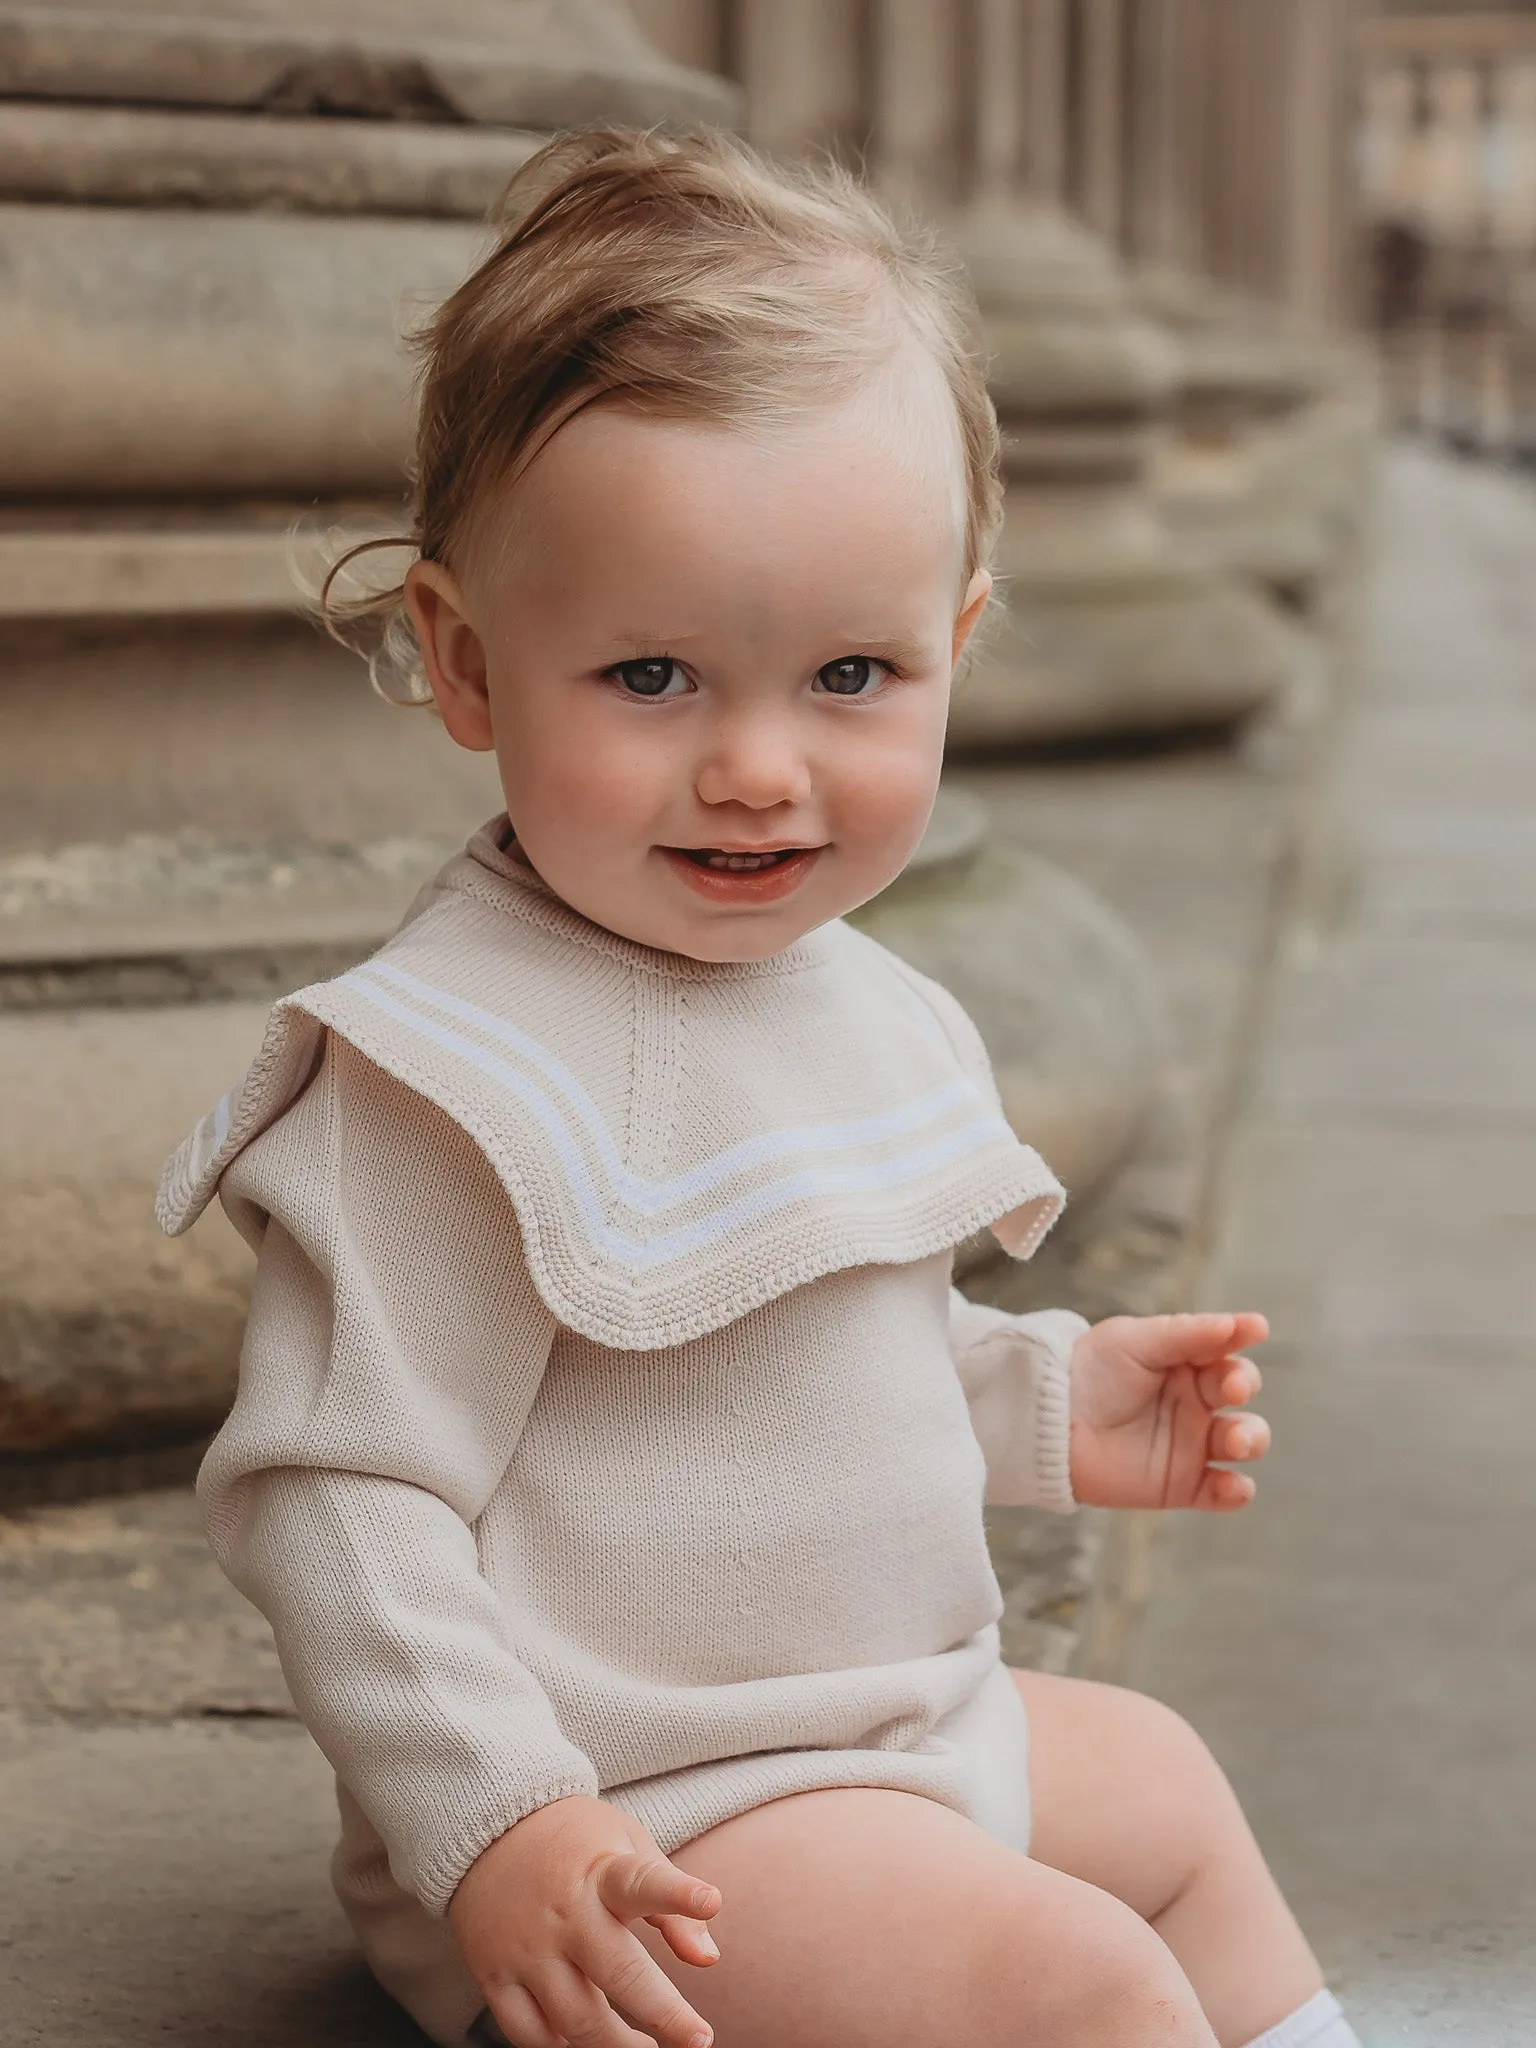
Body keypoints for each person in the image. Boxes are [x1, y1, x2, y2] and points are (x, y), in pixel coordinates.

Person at [158, 129, 1360, 2048]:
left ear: (956, 647)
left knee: (1171, 1795)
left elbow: (783, 1366)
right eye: (650, 675)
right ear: (468, 662)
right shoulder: (450, 1075)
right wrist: (501, 1829)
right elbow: (335, 1499)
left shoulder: (849, 997)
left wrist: (1043, 1400)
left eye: (851, 676)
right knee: (1085, 1988)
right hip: (640, 1832)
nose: (757, 768)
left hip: (879, 1736)